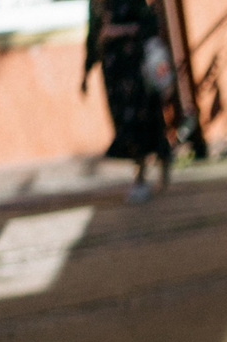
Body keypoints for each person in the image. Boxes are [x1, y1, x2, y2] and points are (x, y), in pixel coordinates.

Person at [82, 0, 176, 204]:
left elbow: (149, 24)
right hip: (113, 74)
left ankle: (149, 173)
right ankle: (143, 175)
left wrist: (118, 31)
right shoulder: (96, 4)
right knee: (124, 126)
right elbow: (93, 35)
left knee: (143, 120)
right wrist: (86, 72)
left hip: (135, 71)